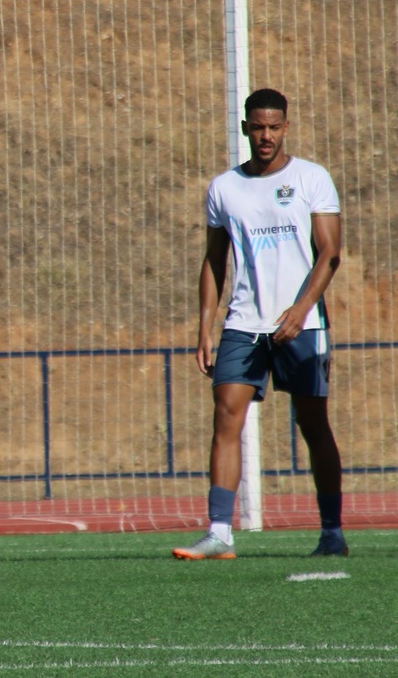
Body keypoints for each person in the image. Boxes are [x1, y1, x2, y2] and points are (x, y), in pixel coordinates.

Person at [174, 88, 346, 560]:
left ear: (286, 127)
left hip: (304, 324)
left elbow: (330, 253)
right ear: (246, 128)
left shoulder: (312, 178)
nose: (266, 135)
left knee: (313, 425)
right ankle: (219, 533)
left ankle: (332, 531)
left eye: (274, 127)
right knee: (226, 415)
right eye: (258, 127)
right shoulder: (224, 187)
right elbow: (214, 261)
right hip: (244, 322)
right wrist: (205, 327)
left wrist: (299, 309)